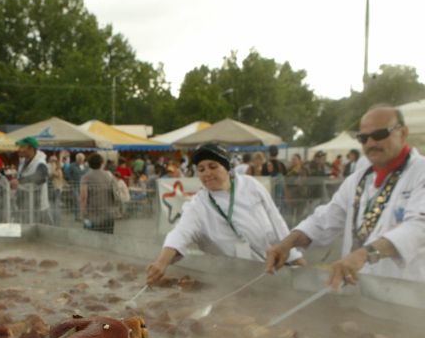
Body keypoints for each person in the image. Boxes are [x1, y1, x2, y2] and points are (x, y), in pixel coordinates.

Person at [267, 105, 425, 286]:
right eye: (364, 138)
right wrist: (287, 244)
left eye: (380, 135)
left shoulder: (420, 172)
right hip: (361, 292)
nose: (371, 143)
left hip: (408, 295)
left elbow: (418, 228)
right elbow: (324, 219)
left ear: (403, 133)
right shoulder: (358, 179)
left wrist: (364, 254)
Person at [147, 144, 302, 285]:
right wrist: (162, 262)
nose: (207, 173)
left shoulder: (250, 184)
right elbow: (181, 232)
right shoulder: (198, 205)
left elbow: (276, 219)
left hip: (276, 266)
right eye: (201, 169)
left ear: (227, 168)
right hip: (234, 279)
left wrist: (295, 256)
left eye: (212, 166)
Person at [10, 136, 51, 224]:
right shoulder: (23, 161)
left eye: (22, 147)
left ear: (31, 148)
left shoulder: (40, 163)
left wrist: (20, 181)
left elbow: (41, 177)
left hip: (38, 207)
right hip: (25, 205)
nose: (19, 149)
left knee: (41, 234)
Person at [80, 152, 118, 234]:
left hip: (93, 214)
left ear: (89, 164)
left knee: (92, 238)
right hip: (109, 213)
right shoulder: (109, 175)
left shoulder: (86, 177)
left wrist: (83, 212)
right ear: (102, 163)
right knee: (108, 237)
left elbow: (84, 197)